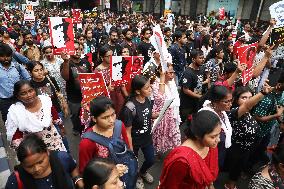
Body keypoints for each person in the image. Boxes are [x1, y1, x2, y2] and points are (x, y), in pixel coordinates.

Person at [224, 84, 273, 189]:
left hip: (246, 149)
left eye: (250, 97)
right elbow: (246, 105)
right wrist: (263, 93)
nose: (247, 100)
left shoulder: (248, 113)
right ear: (236, 99)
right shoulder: (235, 113)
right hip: (236, 150)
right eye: (244, 97)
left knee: (237, 171)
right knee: (233, 172)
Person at [158, 110, 220, 189]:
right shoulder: (181, 161)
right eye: (213, 136)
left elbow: (208, 177)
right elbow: (171, 185)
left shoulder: (210, 145)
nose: (218, 140)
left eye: (218, 134)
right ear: (198, 135)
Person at [5, 80, 66, 151]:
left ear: (35, 90)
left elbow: (56, 117)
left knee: (61, 160)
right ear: (18, 96)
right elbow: (16, 137)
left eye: (30, 91)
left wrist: (62, 128)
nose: (28, 95)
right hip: (34, 149)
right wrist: (25, 153)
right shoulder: (16, 111)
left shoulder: (45, 101)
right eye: (23, 93)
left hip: (55, 141)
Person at [5, 134, 83, 189]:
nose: (37, 169)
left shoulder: (62, 158)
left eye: (40, 162)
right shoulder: (15, 181)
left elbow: (72, 168)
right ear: (22, 164)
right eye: (29, 166)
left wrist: (78, 179)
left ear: (47, 152)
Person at [120, 74, 158, 189]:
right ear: (137, 91)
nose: (150, 89)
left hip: (147, 138)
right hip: (134, 141)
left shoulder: (147, 99)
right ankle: (137, 177)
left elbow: (147, 113)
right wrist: (130, 149)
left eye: (149, 86)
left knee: (151, 159)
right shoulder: (129, 108)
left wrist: (155, 115)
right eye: (147, 88)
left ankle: (143, 172)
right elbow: (127, 131)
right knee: (134, 163)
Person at [79, 96, 130, 174]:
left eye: (113, 114)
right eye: (105, 117)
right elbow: (85, 170)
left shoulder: (120, 125)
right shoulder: (87, 143)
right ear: (94, 119)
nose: (112, 120)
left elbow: (126, 146)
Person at [60, 42, 92, 135]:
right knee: (75, 115)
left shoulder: (86, 62)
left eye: (79, 49)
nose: (78, 51)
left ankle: (86, 128)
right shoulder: (66, 64)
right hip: (73, 97)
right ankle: (76, 129)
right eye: (75, 49)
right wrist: (66, 62)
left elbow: (91, 77)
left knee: (86, 113)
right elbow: (65, 77)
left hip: (86, 95)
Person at [199, 85, 233, 169]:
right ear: (215, 102)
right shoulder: (206, 117)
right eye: (226, 102)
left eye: (231, 100)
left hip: (218, 152)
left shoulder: (221, 112)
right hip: (208, 156)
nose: (230, 104)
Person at [152, 63, 181, 154]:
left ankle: (176, 153)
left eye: (173, 72)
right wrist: (162, 78)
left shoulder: (172, 83)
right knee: (160, 136)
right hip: (161, 115)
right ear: (163, 73)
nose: (173, 74)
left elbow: (176, 98)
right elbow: (160, 99)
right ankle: (157, 153)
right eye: (170, 72)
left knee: (175, 136)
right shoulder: (156, 83)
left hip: (173, 113)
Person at [0, 43, 30, 123]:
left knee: (23, 119)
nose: (6, 58)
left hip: (20, 98)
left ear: (11, 56)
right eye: (2, 56)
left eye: (8, 56)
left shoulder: (18, 67)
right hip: (4, 101)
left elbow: (28, 79)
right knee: (8, 121)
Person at [180, 49, 207, 121]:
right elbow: (186, 90)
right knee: (186, 122)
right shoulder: (188, 73)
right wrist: (200, 96)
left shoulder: (201, 68)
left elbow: (199, 82)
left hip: (197, 102)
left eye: (203, 57)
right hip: (187, 104)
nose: (202, 60)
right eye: (200, 58)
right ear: (193, 59)